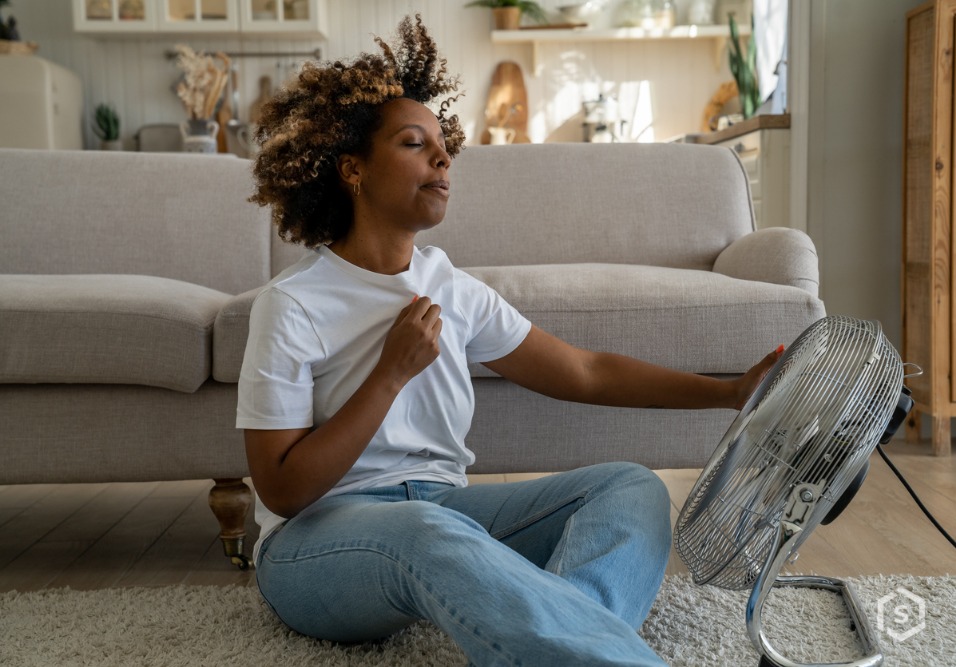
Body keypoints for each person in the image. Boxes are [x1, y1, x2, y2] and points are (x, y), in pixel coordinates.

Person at [238, 15, 781, 666]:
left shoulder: (451, 288)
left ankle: (564, 641)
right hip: (313, 544)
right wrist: (389, 375)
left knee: (631, 489)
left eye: (443, 146)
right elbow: (282, 490)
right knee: (428, 528)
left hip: (444, 511)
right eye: (413, 143)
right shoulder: (293, 304)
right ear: (353, 169)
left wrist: (731, 392)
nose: (443, 158)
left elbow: (584, 371)